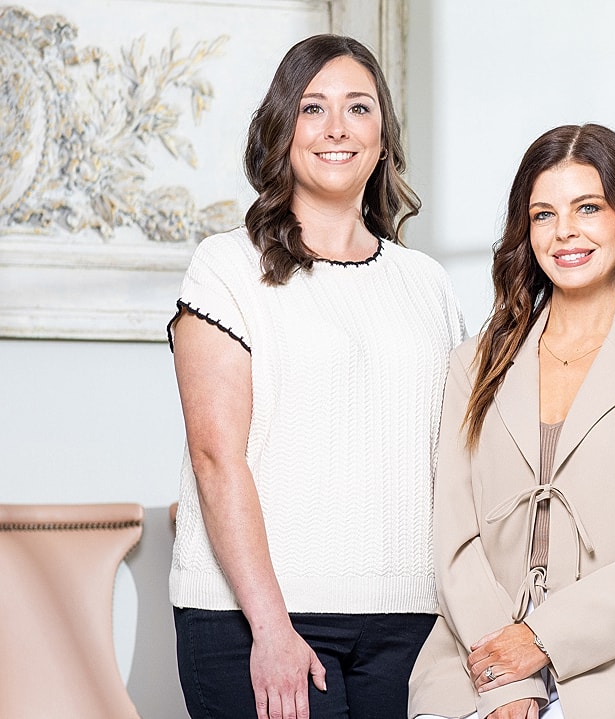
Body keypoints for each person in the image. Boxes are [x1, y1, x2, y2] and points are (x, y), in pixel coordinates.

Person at [168, 34, 464, 719]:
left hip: (412, 620)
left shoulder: (427, 284)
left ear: (383, 138)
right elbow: (217, 459)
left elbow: (456, 457)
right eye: (312, 109)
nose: (337, 128)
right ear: (282, 130)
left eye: (359, 108)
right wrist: (270, 626)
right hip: (256, 617)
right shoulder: (225, 267)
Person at [406, 124, 615, 719]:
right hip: (470, 666)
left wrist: (542, 640)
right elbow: (454, 539)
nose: (565, 233)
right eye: (543, 215)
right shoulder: (471, 366)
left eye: (588, 208)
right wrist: (506, 679)